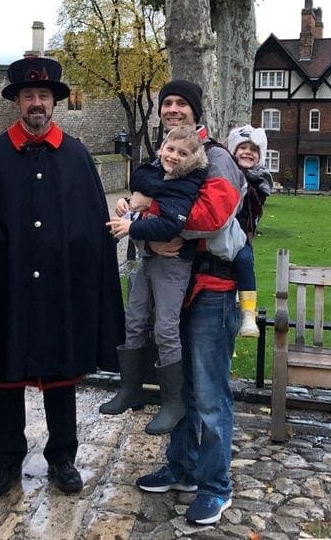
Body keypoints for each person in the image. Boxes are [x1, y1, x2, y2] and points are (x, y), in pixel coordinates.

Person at [0, 56, 124, 497]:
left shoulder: (75, 155)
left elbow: (91, 226)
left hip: (58, 286)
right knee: (5, 376)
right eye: (29, 96)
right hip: (6, 285)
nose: (37, 103)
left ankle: (63, 458)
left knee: (60, 375)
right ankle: (7, 461)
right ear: (17, 102)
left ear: (54, 101)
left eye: (44, 96)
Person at [133, 79, 243, 527]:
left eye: (182, 103)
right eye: (167, 104)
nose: (174, 110)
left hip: (212, 289)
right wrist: (148, 232)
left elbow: (212, 216)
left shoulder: (216, 158)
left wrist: (153, 215)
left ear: (197, 111)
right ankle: (182, 468)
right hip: (173, 286)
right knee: (179, 388)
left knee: (210, 393)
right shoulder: (164, 159)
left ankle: (216, 485)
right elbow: (133, 210)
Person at [103, 125, 208, 435]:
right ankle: (130, 388)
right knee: (133, 319)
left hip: (173, 264)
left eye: (183, 153)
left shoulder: (188, 181)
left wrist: (133, 226)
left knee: (165, 328)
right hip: (150, 258)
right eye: (170, 149)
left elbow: (169, 225)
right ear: (162, 147)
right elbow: (139, 178)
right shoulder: (159, 173)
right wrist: (131, 202)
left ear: (193, 158)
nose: (174, 156)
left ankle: (173, 402)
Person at [226, 124, 274, 337]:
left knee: (245, 259)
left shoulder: (259, 179)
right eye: (242, 148)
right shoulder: (226, 172)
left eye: (253, 149)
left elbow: (254, 208)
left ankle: (248, 314)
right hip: (222, 230)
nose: (247, 152)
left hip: (242, 234)